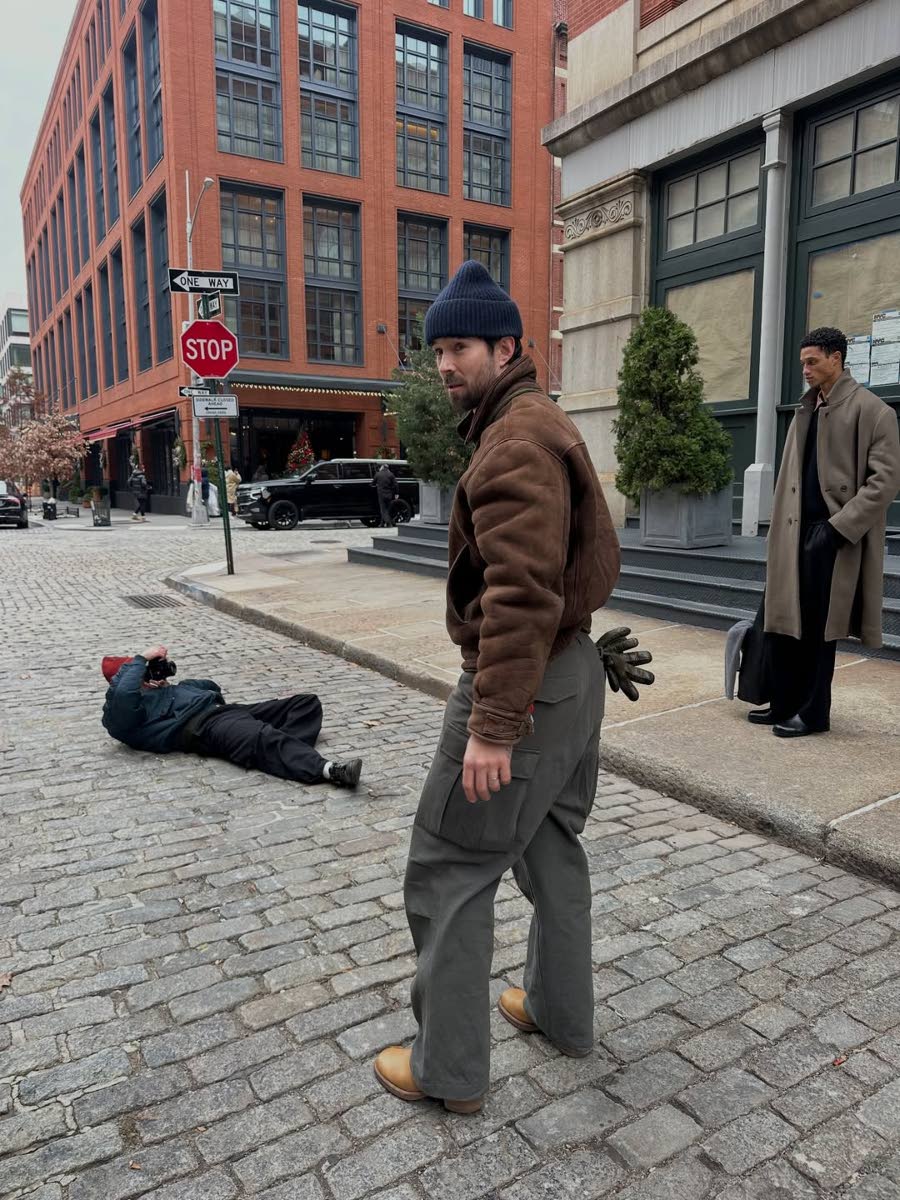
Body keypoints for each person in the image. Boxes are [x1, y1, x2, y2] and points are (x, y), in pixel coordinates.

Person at [372, 260, 622, 1113]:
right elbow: (567, 564)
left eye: (462, 347)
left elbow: (519, 592)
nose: (445, 362)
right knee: (551, 847)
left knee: (450, 867)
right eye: (438, 346)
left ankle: (447, 1071)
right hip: (571, 671)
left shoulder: (513, 437)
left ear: (506, 345)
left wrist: (492, 724)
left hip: (526, 682)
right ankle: (561, 1014)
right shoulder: (535, 419)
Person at [755, 326, 900, 738]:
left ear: (836, 358)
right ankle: (784, 702)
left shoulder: (873, 411)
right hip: (795, 532)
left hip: (833, 535)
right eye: (803, 361)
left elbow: (885, 482)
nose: (805, 368)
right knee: (787, 620)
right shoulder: (807, 408)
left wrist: (839, 529)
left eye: (812, 360)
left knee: (820, 628)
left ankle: (814, 713)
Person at [101, 646, 363, 788]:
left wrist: (169, 684)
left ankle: (281, 753)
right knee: (258, 735)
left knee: (306, 704)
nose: (146, 675)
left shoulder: (160, 690)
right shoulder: (120, 715)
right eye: (141, 672)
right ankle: (329, 770)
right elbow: (123, 694)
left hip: (226, 712)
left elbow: (209, 686)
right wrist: (140, 659)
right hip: (203, 727)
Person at [375, 463, 398, 527]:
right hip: (389, 494)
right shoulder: (391, 474)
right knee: (387, 509)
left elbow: (373, 483)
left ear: (382, 467)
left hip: (381, 495)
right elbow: (396, 484)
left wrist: (376, 485)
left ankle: (389, 523)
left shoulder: (378, 474)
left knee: (383, 510)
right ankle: (382, 523)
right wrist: (396, 493)